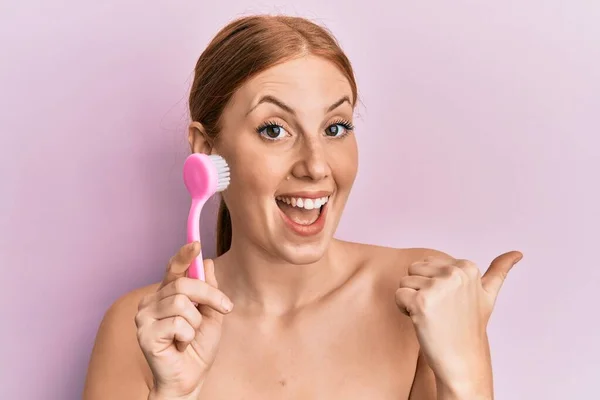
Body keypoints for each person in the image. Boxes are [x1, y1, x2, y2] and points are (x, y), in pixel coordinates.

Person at [83, 14, 523, 400]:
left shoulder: (423, 299)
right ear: (206, 150)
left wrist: (467, 376)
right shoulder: (141, 330)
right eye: (274, 130)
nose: (316, 165)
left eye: (335, 127)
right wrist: (174, 393)